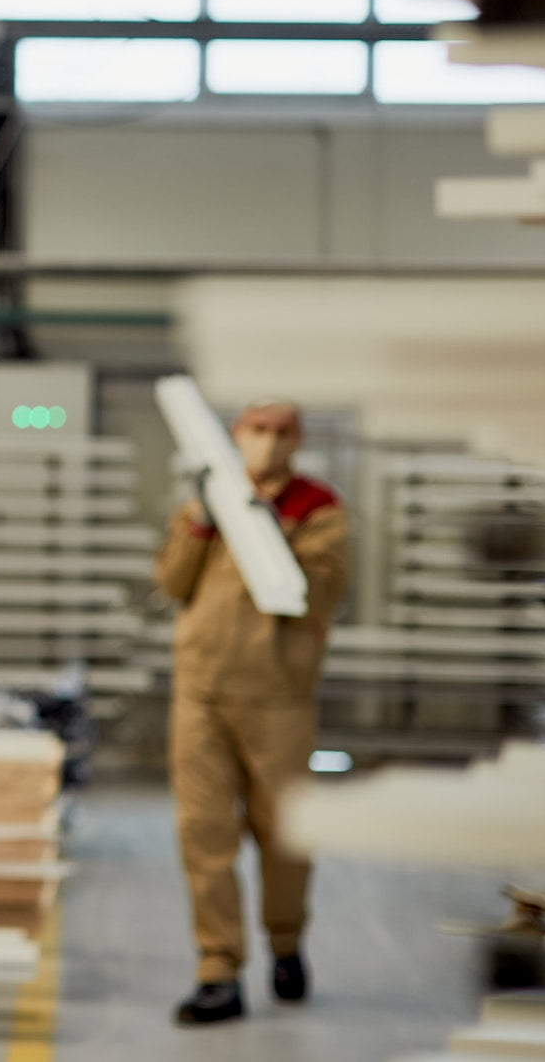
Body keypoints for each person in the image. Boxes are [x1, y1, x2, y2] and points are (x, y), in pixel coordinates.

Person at [154, 398, 349, 1027]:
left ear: (298, 440)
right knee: (203, 833)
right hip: (202, 694)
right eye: (257, 430)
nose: (267, 442)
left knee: (285, 833)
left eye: (281, 432)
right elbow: (172, 584)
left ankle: (286, 943)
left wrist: (265, 528)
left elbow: (318, 593)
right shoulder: (209, 499)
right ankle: (218, 969)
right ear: (236, 434)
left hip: (278, 699)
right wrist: (201, 522)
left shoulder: (316, 509)